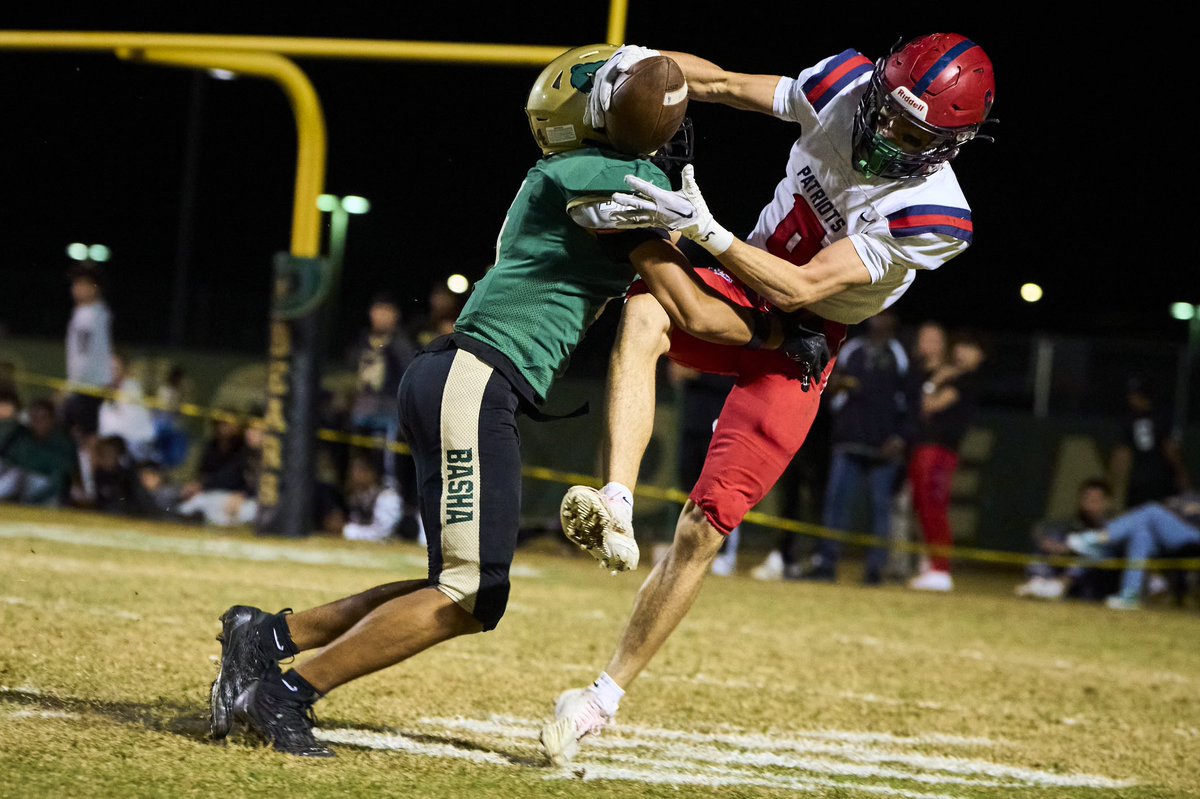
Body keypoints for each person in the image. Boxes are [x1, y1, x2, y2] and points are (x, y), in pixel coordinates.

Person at [207, 44, 823, 758]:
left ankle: (268, 638)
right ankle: (284, 691)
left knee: (465, 588)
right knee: (469, 592)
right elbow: (693, 310)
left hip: (463, 378)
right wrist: (781, 329)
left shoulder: (586, 168)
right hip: (474, 378)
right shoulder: (607, 174)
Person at [543, 34, 994, 766]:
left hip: (805, 336)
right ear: (875, 89)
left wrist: (705, 230)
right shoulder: (842, 88)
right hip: (742, 290)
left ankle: (600, 698)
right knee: (646, 310)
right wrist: (631, 67)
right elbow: (716, 83)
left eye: (913, 132)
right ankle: (617, 501)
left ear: (951, 143)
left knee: (707, 523)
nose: (886, 134)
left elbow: (804, 289)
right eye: (887, 113)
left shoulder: (935, 213)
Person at [802, 310, 908, 584]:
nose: (879, 321)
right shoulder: (853, 350)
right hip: (849, 441)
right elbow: (828, 386)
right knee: (836, 505)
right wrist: (839, 387)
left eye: (886, 316)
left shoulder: (899, 355)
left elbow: (907, 400)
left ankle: (876, 570)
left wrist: (898, 437)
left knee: (880, 508)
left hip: (883, 445)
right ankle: (827, 563)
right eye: (877, 315)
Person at [903, 330, 985, 591]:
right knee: (922, 506)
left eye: (970, 348)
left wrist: (934, 381)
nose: (962, 351)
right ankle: (931, 565)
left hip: (939, 450)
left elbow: (930, 406)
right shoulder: (956, 377)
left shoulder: (966, 381)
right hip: (926, 447)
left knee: (934, 507)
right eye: (960, 345)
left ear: (980, 356)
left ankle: (941, 569)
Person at [1068, 492, 1200, 610]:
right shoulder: (1185, 497)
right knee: (1141, 535)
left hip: (1193, 539)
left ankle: (1098, 539)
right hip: (1171, 542)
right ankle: (1130, 595)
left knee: (1152, 511)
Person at [1014, 477, 1117, 601]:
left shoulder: (1116, 525)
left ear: (1108, 502)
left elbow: (1106, 547)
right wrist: (1052, 546)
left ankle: (1060, 585)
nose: (1090, 505)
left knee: (1094, 552)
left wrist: (1070, 548)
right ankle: (1038, 581)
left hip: (1097, 583)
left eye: (1096, 500)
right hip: (1068, 572)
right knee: (1052, 539)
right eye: (1086, 499)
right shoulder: (1074, 522)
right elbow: (1040, 530)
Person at [1108, 377, 1190, 510]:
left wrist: (1112, 483)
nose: (1131, 399)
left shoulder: (1130, 419)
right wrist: (1181, 473)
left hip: (1144, 480)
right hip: (1159, 479)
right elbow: (1170, 449)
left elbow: (1121, 456)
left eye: (1134, 395)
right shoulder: (1162, 415)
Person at [61, 263, 114, 441]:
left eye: (81, 284)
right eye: (75, 284)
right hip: (88, 387)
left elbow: (84, 357)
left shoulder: (90, 315)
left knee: (85, 438)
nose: (75, 288)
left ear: (94, 288)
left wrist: (70, 388)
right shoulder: (92, 312)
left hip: (87, 388)